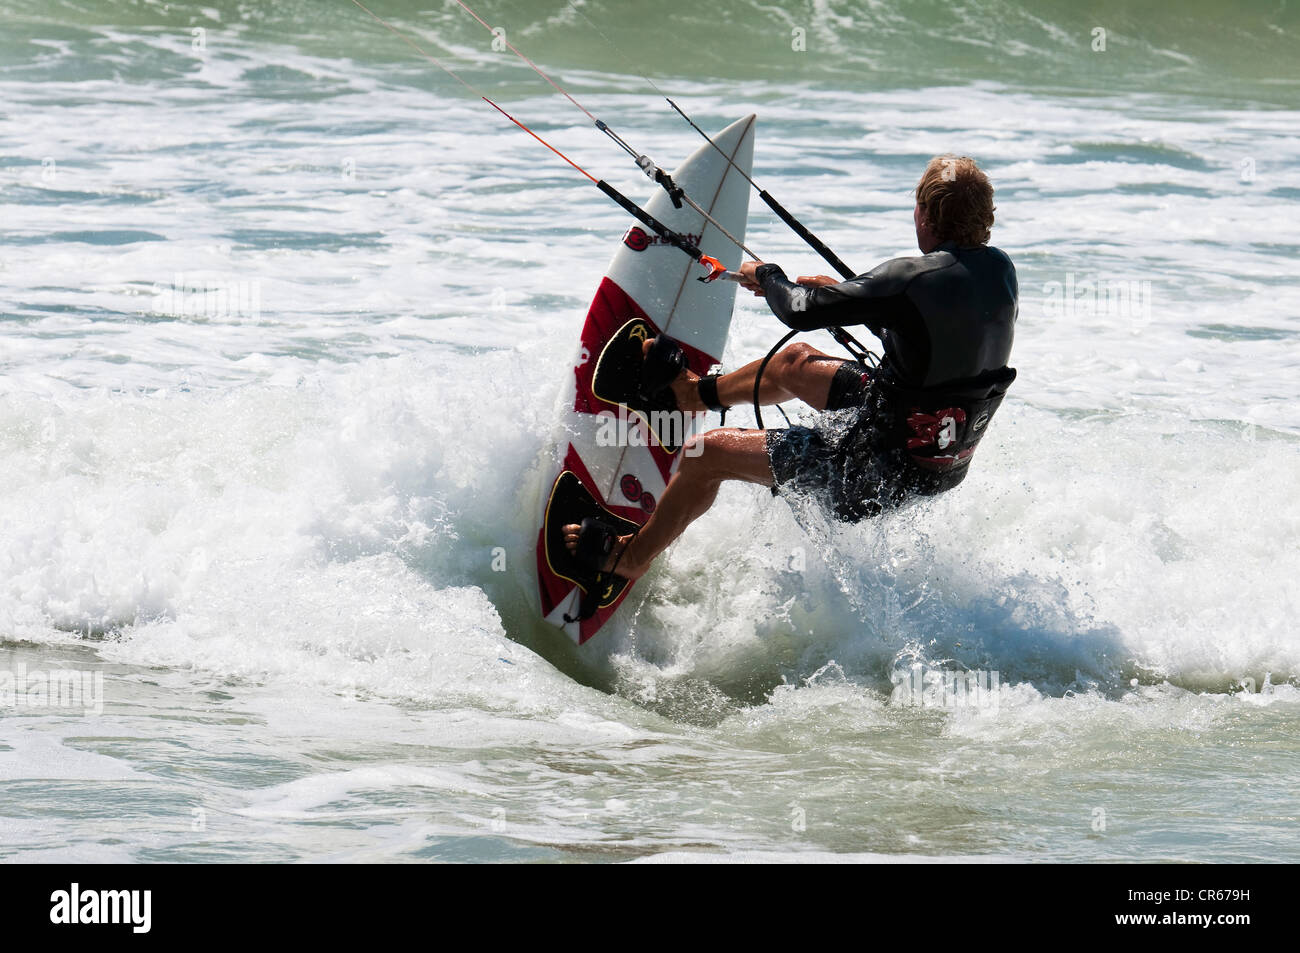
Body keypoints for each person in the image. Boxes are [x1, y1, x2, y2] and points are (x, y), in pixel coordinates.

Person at [563, 154, 1017, 581]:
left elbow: (799, 309)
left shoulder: (910, 278)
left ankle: (629, 557)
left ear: (923, 214)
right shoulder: (999, 270)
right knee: (794, 362)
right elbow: (932, 335)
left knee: (706, 453)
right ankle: (691, 395)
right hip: (931, 455)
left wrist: (769, 277)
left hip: (870, 472)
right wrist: (846, 294)